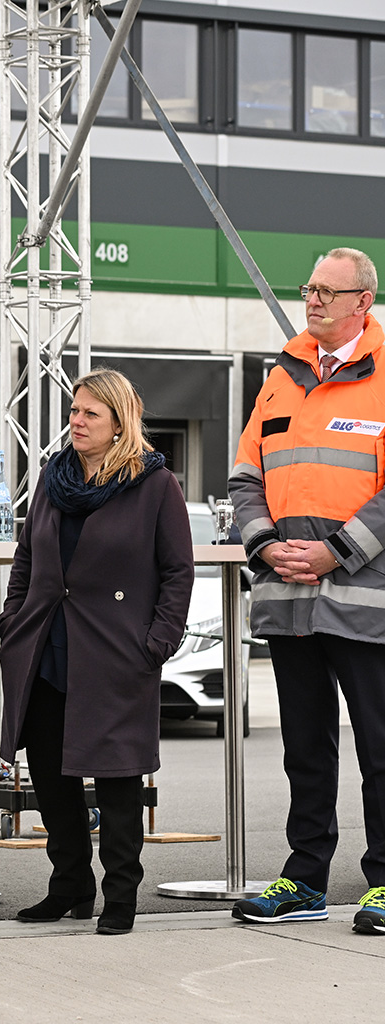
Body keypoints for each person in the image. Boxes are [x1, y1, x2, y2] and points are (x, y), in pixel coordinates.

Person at [0, 368, 193, 936]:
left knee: (117, 779)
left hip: (114, 654)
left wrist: (156, 643)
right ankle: (71, 886)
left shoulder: (154, 485)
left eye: (90, 414)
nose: (76, 422)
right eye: (74, 411)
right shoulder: (54, 478)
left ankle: (121, 896)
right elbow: (26, 561)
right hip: (44, 649)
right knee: (52, 780)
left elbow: (177, 572)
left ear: (118, 424)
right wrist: (14, 623)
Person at [228, 247, 385, 936]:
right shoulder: (281, 378)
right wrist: (265, 544)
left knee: (381, 747)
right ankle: (305, 878)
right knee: (304, 748)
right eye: (308, 288)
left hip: (366, 602)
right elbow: (243, 475)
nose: (312, 298)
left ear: (363, 303)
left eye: (327, 290)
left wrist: (334, 552)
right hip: (288, 599)